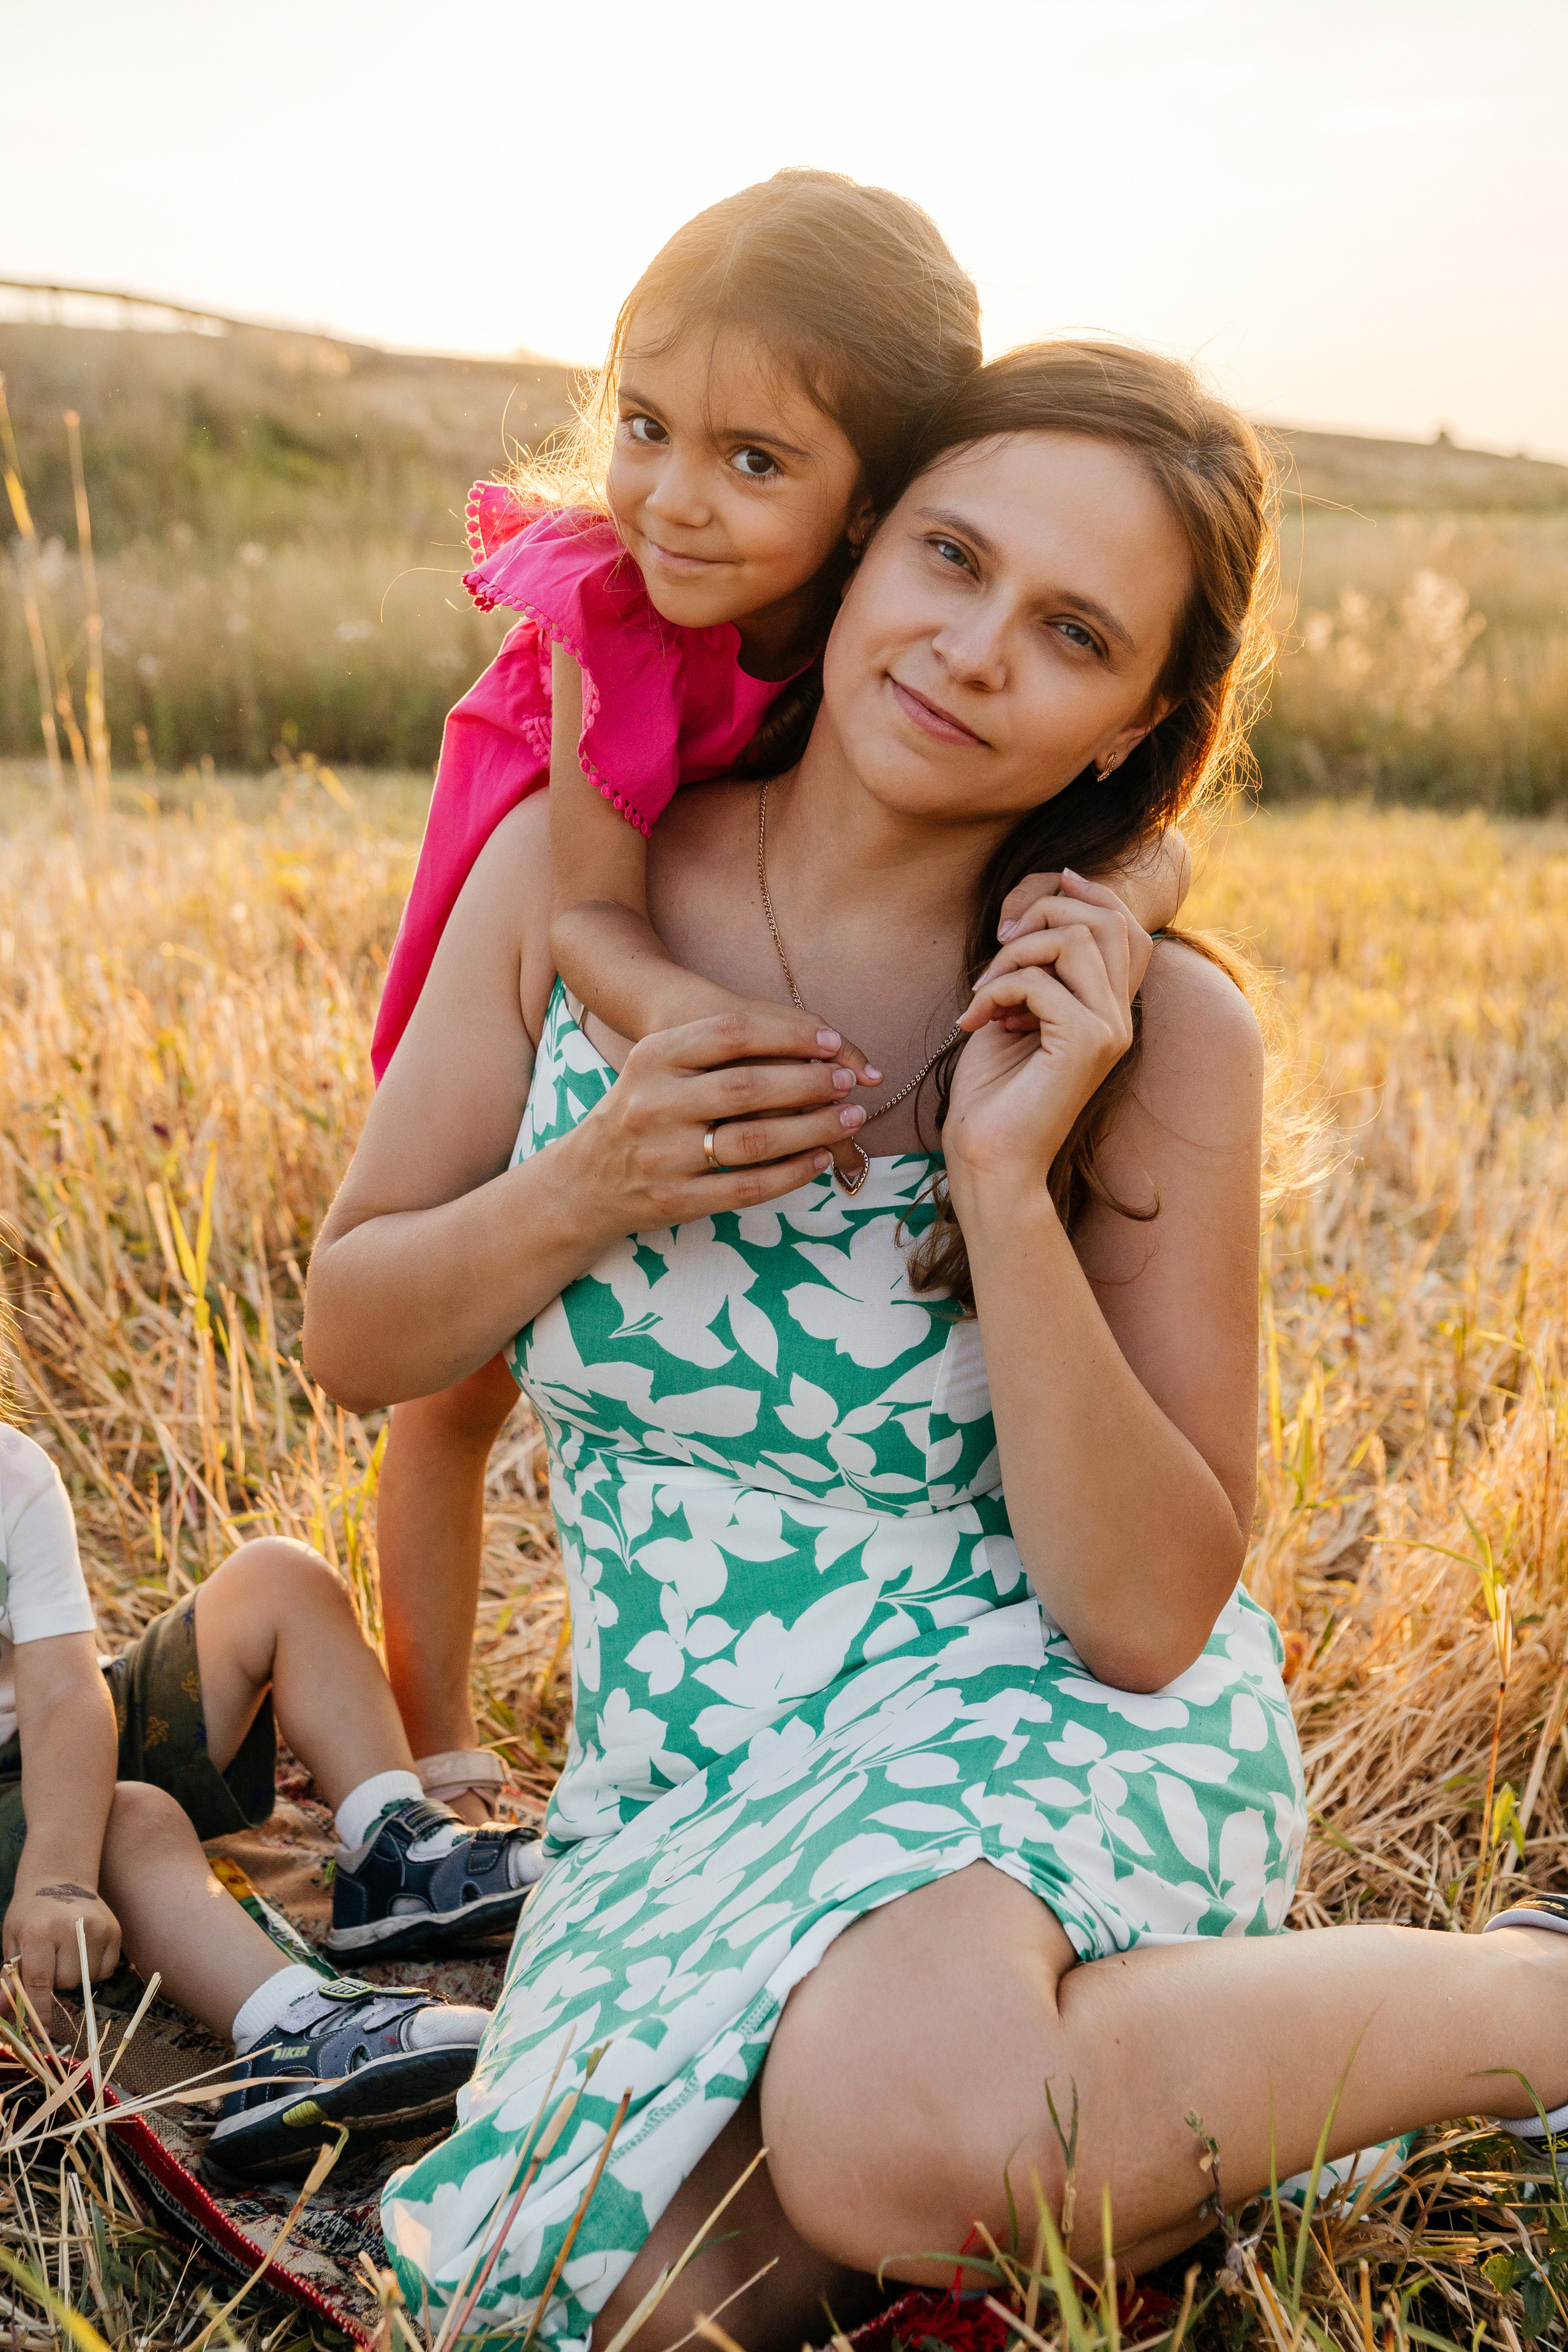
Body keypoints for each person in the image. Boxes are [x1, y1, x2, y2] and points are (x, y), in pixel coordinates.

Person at [301, 336, 1568, 2352]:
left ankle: (1528, 1993)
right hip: (692, 1796)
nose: (977, 650)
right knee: (595, 2311)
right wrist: (590, 1183)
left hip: (1043, 1728)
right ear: (864, 544)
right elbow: (352, 1337)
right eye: (953, 559)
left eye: (1072, 632)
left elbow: (1146, 1617)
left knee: (906, 2126)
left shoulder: (1157, 1033)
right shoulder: (571, 883)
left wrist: (1003, 1173)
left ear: (1135, 719)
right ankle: (1150, 2107)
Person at [367, 171, 1191, 1822]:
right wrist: (672, 1055)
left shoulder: (902, 618)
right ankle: (431, 1767)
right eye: (644, 428)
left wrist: (1130, 899)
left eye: (753, 460)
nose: (675, 502)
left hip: (696, 920)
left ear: (872, 498)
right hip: (574, 930)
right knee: (454, 1383)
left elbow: (1141, 831)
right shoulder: (614, 609)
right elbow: (590, 916)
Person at [0, 1420, 543, 2179]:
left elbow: (64, 1689)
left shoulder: (12, 1470)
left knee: (279, 1575)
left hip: (62, 1727)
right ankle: (288, 2032)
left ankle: (394, 1848)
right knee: (130, 1816)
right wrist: (56, 1875)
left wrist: (60, 1874)